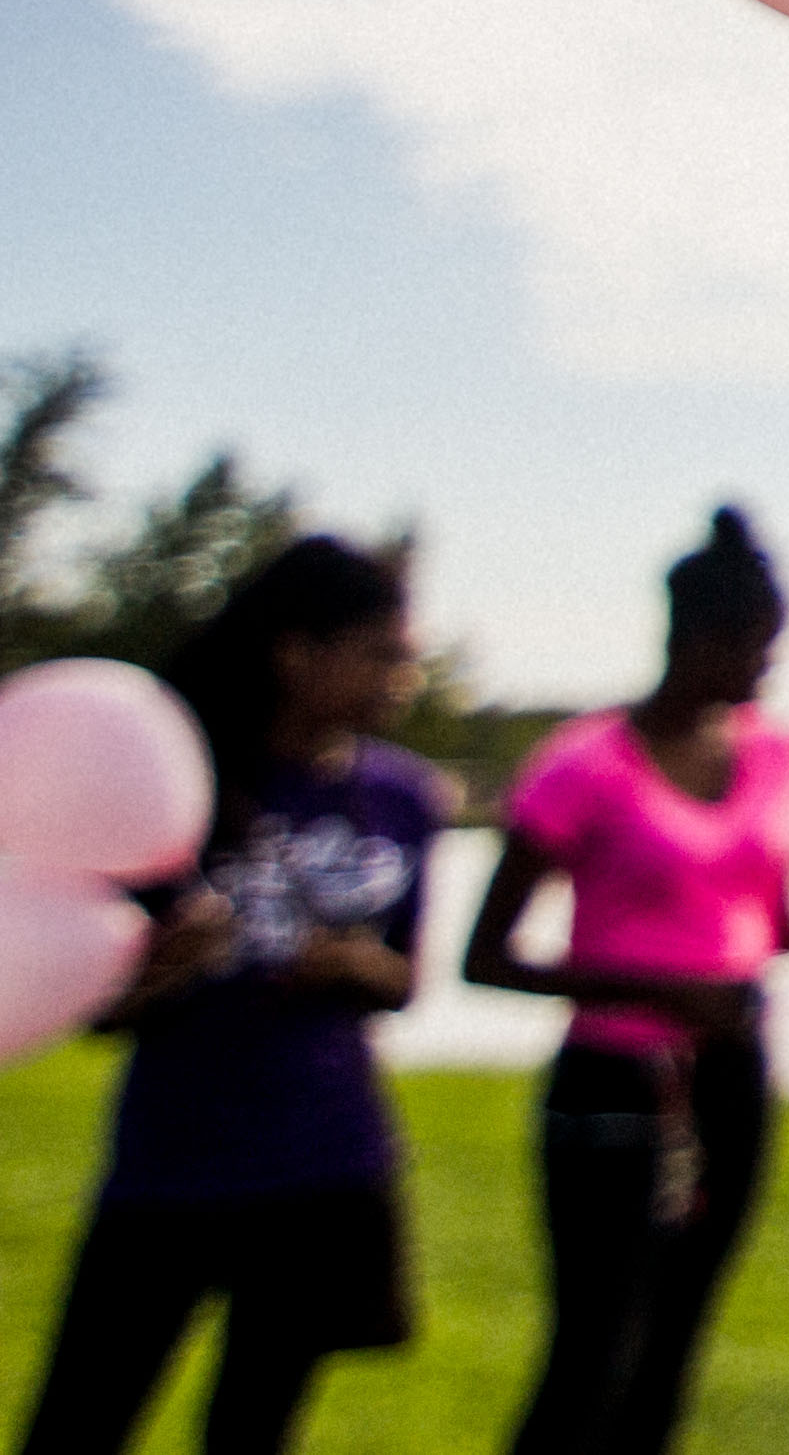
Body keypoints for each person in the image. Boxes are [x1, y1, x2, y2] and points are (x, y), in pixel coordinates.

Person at [461, 506, 789, 1455]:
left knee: (673, 1348)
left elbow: (764, 923)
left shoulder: (781, 757)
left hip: (732, 1080)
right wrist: (660, 993)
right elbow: (485, 958)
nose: (767, 670)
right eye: (756, 648)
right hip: (613, 1092)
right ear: (697, 637)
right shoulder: (583, 767)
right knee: (594, 1354)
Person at [15, 537, 442, 1455]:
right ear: (297, 652)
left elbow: (407, 979)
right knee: (78, 1423)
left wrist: (355, 967)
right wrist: (164, 966)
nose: (402, 678)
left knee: (254, 1429)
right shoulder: (183, 782)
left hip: (324, 1165)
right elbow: (98, 1008)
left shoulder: (403, 797)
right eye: (381, 653)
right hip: (172, 1167)